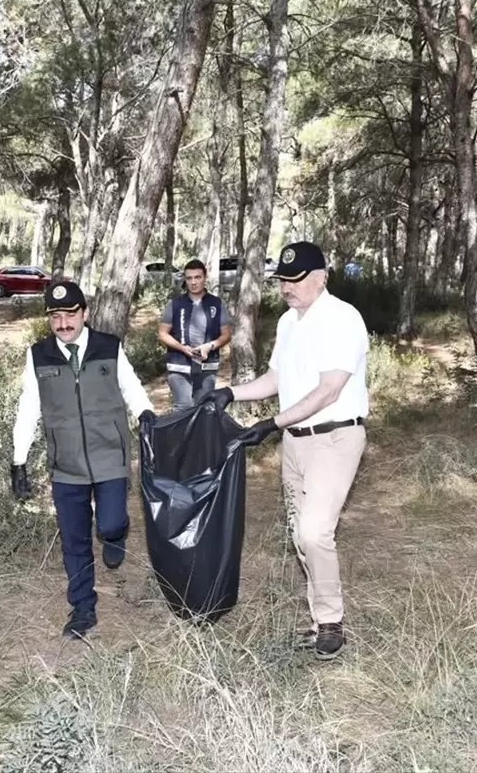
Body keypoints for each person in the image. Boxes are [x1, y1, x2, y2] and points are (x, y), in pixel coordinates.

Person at [202, 241, 369, 661]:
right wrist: (229, 394)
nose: (287, 289)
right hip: (296, 443)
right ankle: (317, 621)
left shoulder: (343, 319)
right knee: (300, 534)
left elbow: (329, 390)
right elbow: (275, 380)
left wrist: (271, 425)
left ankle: (331, 621)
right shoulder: (288, 323)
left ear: (321, 278)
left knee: (315, 531)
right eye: (282, 282)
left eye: (295, 281)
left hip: (335, 437)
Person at [11, 281, 156, 640]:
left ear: (85, 313)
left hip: (110, 456)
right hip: (66, 464)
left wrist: (147, 417)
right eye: (55, 317)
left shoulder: (109, 348)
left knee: (109, 524)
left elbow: (132, 388)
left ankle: (115, 535)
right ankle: (83, 609)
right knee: (74, 541)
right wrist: (19, 460)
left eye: (70, 315)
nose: (63, 324)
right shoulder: (39, 355)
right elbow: (29, 409)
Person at [157, 259, 233, 411]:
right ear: (185, 280)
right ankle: (180, 435)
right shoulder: (175, 304)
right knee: (183, 408)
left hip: (207, 365)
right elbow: (162, 334)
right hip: (179, 365)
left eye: (197, 277)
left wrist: (209, 346)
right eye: (189, 278)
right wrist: (182, 348)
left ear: (205, 278)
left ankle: (201, 435)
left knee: (204, 409)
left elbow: (226, 334)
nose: (193, 282)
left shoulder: (216, 303)